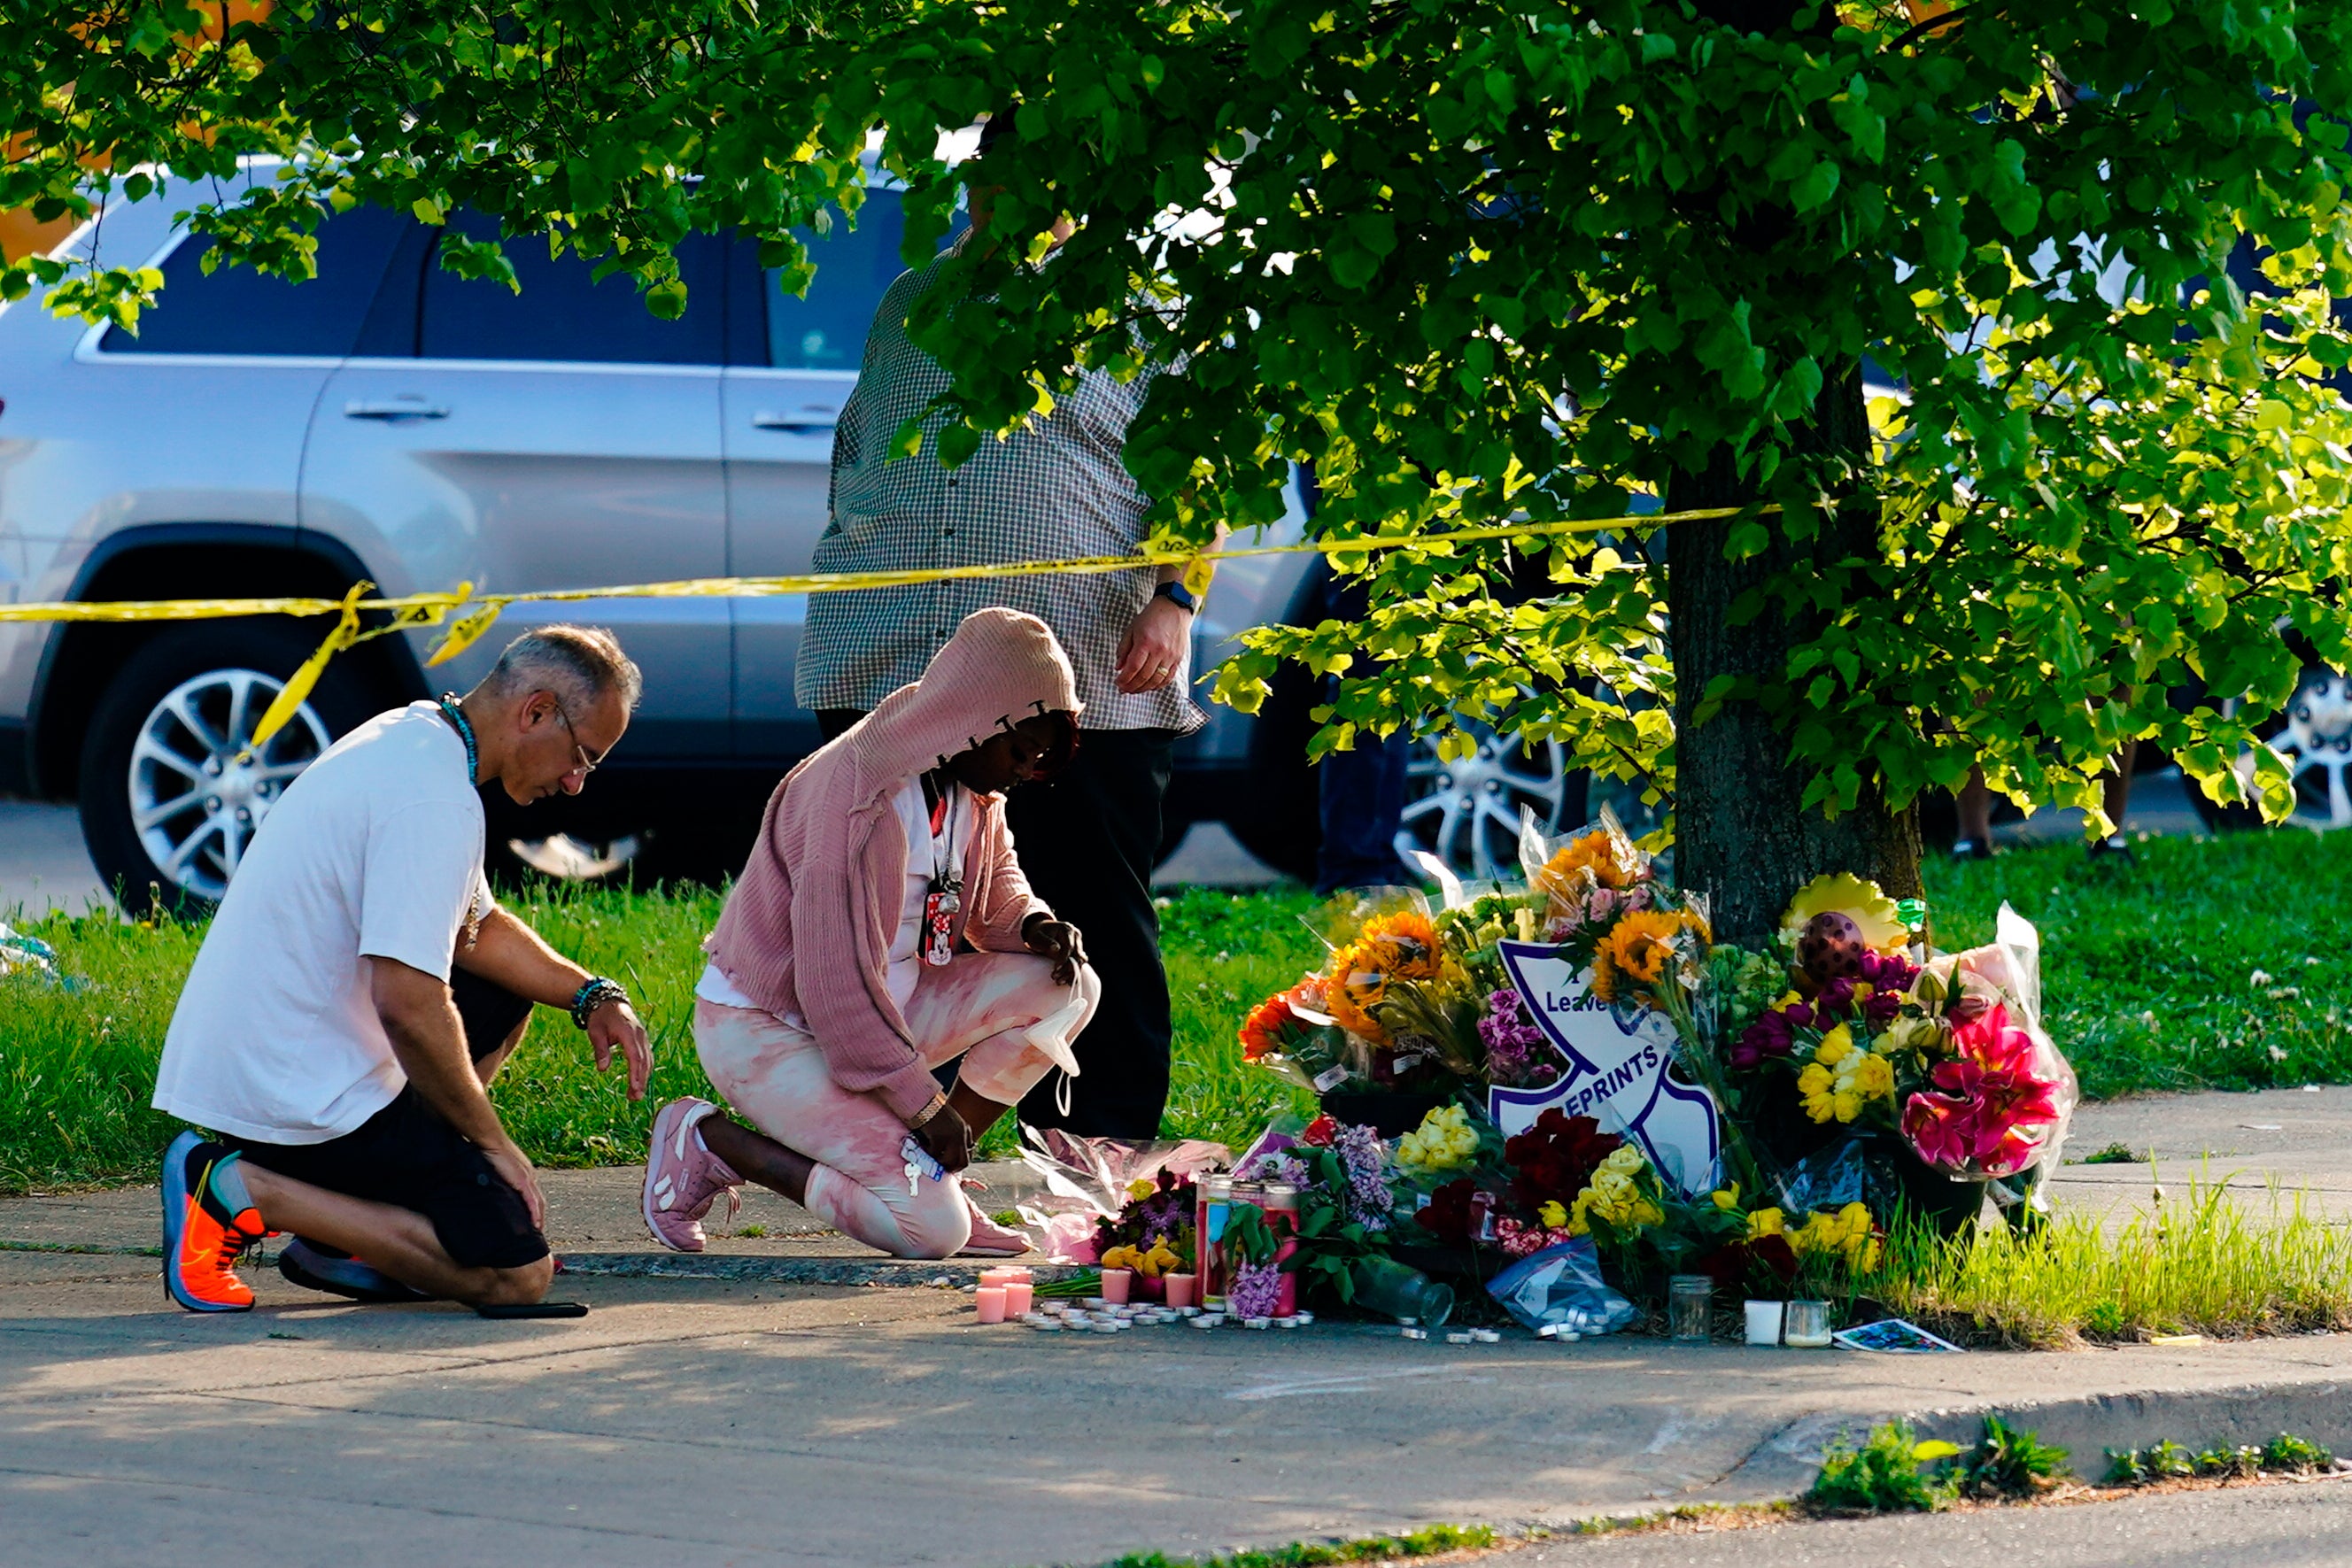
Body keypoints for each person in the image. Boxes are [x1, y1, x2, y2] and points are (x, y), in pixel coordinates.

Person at [795, 116, 1192, 1138]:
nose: (1005, 197)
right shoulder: (912, 300)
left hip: (1079, 663)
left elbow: (1199, 464)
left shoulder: (1137, 307)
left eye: (1039, 176)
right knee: (896, 910)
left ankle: (1102, 1140)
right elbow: (858, 447)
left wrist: (1175, 598)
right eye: (994, 175)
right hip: (898, 662)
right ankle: (900, 1130)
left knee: (1085, 905)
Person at [152, 627, 654, 1313]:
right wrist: (494, 1144)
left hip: (270, 1070)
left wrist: (594, 994)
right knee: (515, 1276)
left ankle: (342, 1229)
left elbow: (477, 932)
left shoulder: (413, 738)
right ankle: (242, 1190)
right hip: (297, 1102)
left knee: (506, 994)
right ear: (536, 711)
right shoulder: (434, 800)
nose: (574, 783)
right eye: (582, 757)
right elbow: (408, 1005)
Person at [646, 609, 1099, 1261]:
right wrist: (923, 1106)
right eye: (1020, 751)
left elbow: (997, 888)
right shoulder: (855, 793)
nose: (1025, 772)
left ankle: (931, 1173)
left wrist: (1034, 923)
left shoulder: (971, 782)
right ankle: (714, 1141)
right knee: (933, 1233)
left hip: (878, 1014)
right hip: (770, 1030)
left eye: (1037, 760)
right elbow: (834, 993)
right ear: (977, 717)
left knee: (1068, 984)